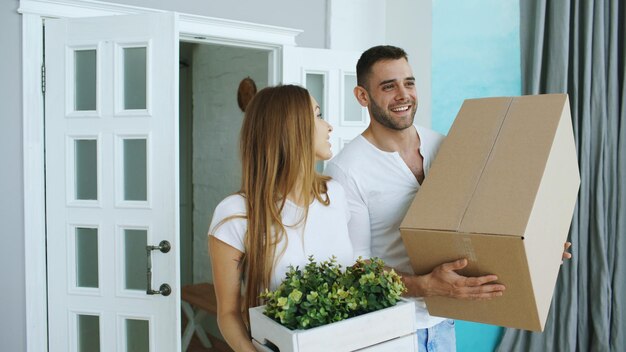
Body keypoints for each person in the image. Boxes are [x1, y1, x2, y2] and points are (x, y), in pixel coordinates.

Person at [324, 45, 505, 351]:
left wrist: (534, 246)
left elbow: (474, 218)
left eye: (409, 83)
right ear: (362, 96)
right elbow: (355, 265)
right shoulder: (346, 169)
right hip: (390, 330)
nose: (403, 95)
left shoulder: (443, 145)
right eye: (388, 86)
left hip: (443, 320)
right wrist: (423, 285)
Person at [208, 85, 354, 352]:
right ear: (291, 129)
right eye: (318, 115)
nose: (329, 126)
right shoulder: (235, 213)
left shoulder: (335, 194)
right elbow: (228, 313)